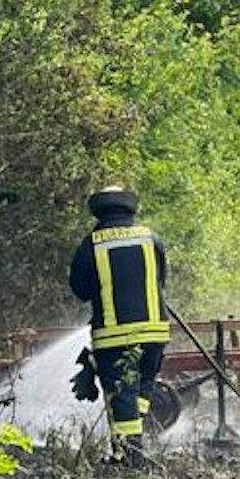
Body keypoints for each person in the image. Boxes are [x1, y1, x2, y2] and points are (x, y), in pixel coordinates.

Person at [68, 187, 171, 462]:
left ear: (98, 210)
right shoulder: (151, 238)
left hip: (114, 336)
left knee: (122, 395)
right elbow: (161, 279)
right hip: (155, 333)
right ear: (130, 208)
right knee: (142, 387)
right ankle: (130, 448)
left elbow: (81, 290)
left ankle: (130, 459)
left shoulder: (91, 244)